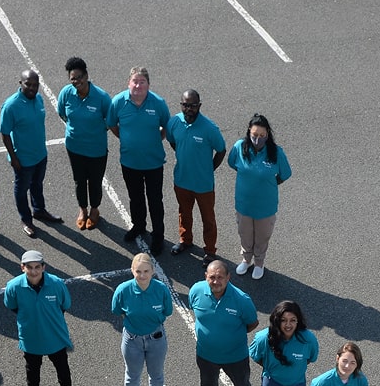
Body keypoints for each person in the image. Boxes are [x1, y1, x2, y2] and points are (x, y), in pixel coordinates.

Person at [3, 249, 81, 386]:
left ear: (44, 267)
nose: (34, 271)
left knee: (62, 367)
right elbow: (11, 306)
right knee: (32, 369)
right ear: (22, 267)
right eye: (29, 267)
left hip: (56, 336)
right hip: (30, 337)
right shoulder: (13, 286)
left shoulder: (57, 283)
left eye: (37, 267)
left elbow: (65, 305)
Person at [188, 259, 259, 386]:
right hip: (205, 354)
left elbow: (252, 323)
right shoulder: (196, 291)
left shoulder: (242, 300)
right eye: (212, 277)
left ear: (228, 277)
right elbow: (196, 312)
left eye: (220, 277)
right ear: (206, 277)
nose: (216, 281)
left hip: (236, 357)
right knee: (207, 384)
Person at [107, 66, 171, 253]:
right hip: (129, 162)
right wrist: (127, 139)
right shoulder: (119, 102)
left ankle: (158, 236)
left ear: (148, 85)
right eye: (135, 81)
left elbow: (167, 126)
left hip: (154, 163)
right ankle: (139, 226)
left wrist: (155, 140)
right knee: (135, 198)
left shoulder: (158, 103)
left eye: (142, 82)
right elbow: (112, 124)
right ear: (129, 83)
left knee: (155, 200)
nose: (138, 85)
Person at [110, 252, 173, 386]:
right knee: (132, 374)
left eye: (146, 271)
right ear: (132, 271)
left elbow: (168, 311)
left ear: (153, 271)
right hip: (132, 340)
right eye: (138, 271)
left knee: (157, 373)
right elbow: (116, 310)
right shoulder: (123, 290)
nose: (142, 275)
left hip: (157, 339)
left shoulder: (161, 289)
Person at [0, 69, 63, 238]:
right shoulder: (11, 105)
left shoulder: (39, 99)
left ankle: (39, 211)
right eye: (28, 84)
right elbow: (5, 134)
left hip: (40, 154)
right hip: (23, 159)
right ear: (20, 83)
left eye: (36, 85)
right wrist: (14, 158)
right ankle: (26, 220)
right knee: (21, 190)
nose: (32, 88)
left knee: (37, 185)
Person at [227, 113, 292, 279]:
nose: (258, 139)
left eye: (262, 136)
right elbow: (232, 163)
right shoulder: (239, 147)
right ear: (249, 131)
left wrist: (266, 185)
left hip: (265, 207)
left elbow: (284, 174)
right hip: (244, 205)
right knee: (245, 233)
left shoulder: (276, 153)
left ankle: (259, 262)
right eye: (255, 135)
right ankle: (246, 259)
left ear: (267, 135)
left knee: (262, 236)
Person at [166, 90, 227, 261]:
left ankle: (210, 251)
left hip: (203, 185)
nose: (189, 109)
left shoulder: (209, 128)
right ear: (181, 105)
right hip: (181, 180)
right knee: (184, 213)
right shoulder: (174, 122)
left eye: (193, 105)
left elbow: (221, 150)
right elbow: (172, 141)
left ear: (199, 106)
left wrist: (210, 168)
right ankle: (185, 240)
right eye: (185, 105)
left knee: (208, 219)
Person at [55, 57, 111, 229]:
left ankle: (94, 210)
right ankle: (82, 210)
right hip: (74, 147)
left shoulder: (101, 97)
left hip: (96, 149)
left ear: (86, 76)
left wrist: (94, 131)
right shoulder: (66, 93)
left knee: (95, 181)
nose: (76, 81)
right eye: (73, 78)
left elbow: (109, 120)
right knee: (79, 181)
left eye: (79, 77)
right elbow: (62, 113)